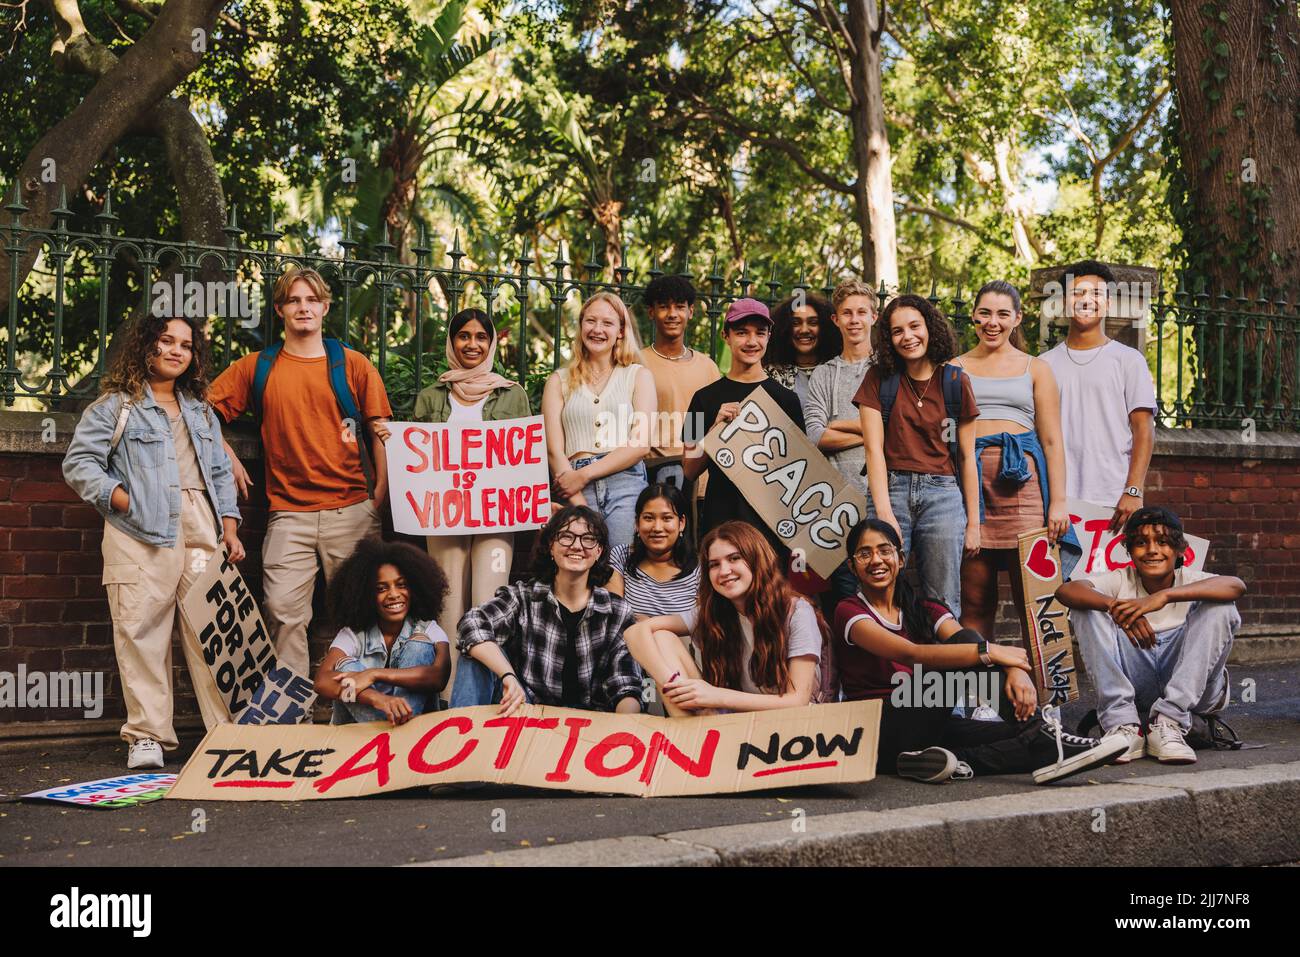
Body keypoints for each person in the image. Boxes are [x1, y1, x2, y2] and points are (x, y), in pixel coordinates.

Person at [63, 315, 243, 769]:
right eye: (166, 341)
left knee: (214, 630)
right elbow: (80, 463)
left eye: (186, 344)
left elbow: (219, 473)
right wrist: (120, 497)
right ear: (146, 347)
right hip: (137, 530)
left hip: (200, 525)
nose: (176, 350)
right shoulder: (114, 406)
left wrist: (229, 525)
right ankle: (147, 736)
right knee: (141, 630)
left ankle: (228, 734)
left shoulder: (201, 410)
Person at [835, 519, 1128, 784]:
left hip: (926, 722)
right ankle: (1045, 738)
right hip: (878, 730)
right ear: (852, 566)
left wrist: (1014, 669)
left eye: (884, 551)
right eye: (864, 554)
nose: (876, 560)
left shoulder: (923, 609)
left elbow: (965, 637)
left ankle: (956, 761)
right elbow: (912, 654)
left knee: (1016, 736)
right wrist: (993, 653)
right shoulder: (849, 612)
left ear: (899, 559)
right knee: (968, 656)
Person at [210, 266, 392, 681]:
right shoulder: (257, 366)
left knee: (363, 612)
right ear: (280, 310)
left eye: (311, 300)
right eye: (294, 300)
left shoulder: (353, 364)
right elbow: (202, 412)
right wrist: (229, 455)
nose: (303, 308)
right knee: (281, 611)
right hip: (288, 513)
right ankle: (294, 712)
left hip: (351, 508)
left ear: (325, 307)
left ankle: (363, 707)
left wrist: (379, 493)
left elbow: (381, 430)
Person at [1056, 506, 1244, 765]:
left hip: (1195, 692)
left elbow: (1235, 585)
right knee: (1085, 607)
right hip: (1138, 683)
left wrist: (1161, 597)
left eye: (1163, 542)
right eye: (1141, 543)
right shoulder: (1121, 579)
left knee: (1221, 606)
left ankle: (1170, 722)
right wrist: (1115, 608)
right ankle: (1122, 726)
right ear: (1130, 551)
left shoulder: (1190, 578)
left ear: (1180, 550)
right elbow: (1067, 590)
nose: (1152, 550)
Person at [950, 280, 1079, 642]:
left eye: (1003, 314)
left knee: (1037, 598)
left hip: (1025, 488)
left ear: (1017, 318)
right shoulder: (953, 367)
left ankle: (1045, 694)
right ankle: (977, 695)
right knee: (975, 597)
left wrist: (1059, 503)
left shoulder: (1036, 368)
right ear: (974, 316)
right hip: (970, 490)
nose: (993, 322)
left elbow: (1052, 440)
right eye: (985, 313)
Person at [413, 307, 531, 688]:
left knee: (488, 601)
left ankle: (485, 693)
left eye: (481, 337)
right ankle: (447, 695)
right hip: (444, 514)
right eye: (464, 336)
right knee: (447, 602)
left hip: (497, 514)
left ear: (492, 343)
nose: (473, 344)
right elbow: (417, 458)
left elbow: (524, 458)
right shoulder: (430, 397)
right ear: (452, 342)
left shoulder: (512, 396)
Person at [855, 294, 980, 616]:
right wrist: (883, 512)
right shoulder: (879, 380)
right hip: (891, 491)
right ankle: (886, 665)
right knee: (880, 593)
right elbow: (873, 450)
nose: (907, 337)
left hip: (944, 497)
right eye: (897, 331)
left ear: (930, 327)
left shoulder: (954, 381)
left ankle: (940, 664)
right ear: (889, 339)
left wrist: (974, 523)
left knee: (943, 600)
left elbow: (966, 456)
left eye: (914, 326)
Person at [452, 505, 644, 715]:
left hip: (591, 721)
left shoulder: (617, 611)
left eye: (588, 538)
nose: (577, 546)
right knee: (474, 652)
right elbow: (471, 624)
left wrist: (626, 730)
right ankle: (461, 735)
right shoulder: (524, 596)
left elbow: (626, 685)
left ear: (598, 551)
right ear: (551, 546)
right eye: (566, 536)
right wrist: (507, 675)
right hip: (528, 710)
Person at [623, 521, 824, 715]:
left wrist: (715, 696)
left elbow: (797, 701)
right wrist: (672, 682)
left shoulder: (796, 611)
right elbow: (635, 632)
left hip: (793, 727)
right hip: (734, 721)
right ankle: (694, 734)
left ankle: (698, 733)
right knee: (662, 637)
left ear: (756, 559)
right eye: (714, 564)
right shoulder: (713, 611)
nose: (724, 571)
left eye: (734, 558)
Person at [682, 298, 806, 560]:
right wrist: (715, 431)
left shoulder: (788, 400)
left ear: (769, 336)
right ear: (725, 335)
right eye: (741, 333)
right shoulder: (700, 398)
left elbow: (800, 475)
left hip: (770, 528)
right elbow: (689, 469)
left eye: (759, 333)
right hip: (720, 520)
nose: (751, 342)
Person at [1038, 260, 1157, 532]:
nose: (1086, 300)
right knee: (1061, 577)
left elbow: (1144, 430)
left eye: (1096, 294)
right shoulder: (1043, 365)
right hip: (1056, 503)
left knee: (1109, 577)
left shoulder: (1129, 360)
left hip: (1114, 503)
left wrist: (1133, 491)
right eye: (1078, 293)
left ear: (1108, 303)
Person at [543, 292, 657, 548]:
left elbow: (641, 444)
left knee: (620, 564)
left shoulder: (638, 376)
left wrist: (583, 475)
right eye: (590, 321)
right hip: (573, 489)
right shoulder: (558, 381)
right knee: (581, 563)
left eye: (607, 323)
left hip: (625, 484)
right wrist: (580, 504)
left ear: (620, 331)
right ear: (581, 325)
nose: (597, 329)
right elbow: (553, 450)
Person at [313, 538, 451, 725]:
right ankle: (393, 736)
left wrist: (374, 674)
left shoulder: (429, 629)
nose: (394, 594)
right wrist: (375, 698)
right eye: (381, 588)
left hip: (413, 723)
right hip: (362, 730)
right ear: (366, 594)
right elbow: (322, 681)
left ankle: (395, 736)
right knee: (345, 665)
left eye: (401, 585)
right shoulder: (354, 634)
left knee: (420, 645)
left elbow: (438, 677)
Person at [805, 279, 877, 603]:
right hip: (837, 504)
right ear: (836, 319)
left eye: (862, 312)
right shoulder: (822, 374)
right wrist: (873, 427)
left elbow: (898, 429)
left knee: (884, 595)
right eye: (847, 313)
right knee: (844, 598)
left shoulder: (888, 371)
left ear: (874, 316)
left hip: (882, 497)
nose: (854, 319)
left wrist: (839, 424)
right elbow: (816, 436)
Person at [637, 274, 721, 487]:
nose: (672, 314)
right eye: (664, 307)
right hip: (651, 481)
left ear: (690, 312)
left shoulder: (707, 367)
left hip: (700, 481)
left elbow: (713, 425)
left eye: (679, 307)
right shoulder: (636, 363)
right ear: (651, 312)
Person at [608, 483, 700, 620]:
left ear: (681, 523)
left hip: (682, 641)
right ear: (637, 524)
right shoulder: (621, 556)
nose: (657, 528)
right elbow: (614, 614)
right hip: (633, 639)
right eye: (648, 518)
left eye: (667, 518)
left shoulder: (700, 566)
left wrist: (648, 624)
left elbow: (703, 624)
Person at [764, 291, 840, 409]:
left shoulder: (838, 371)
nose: (804, 330)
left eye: (813, 322)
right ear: (785, 329)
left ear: (825, 328)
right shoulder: (770, 374)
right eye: (796, 323)